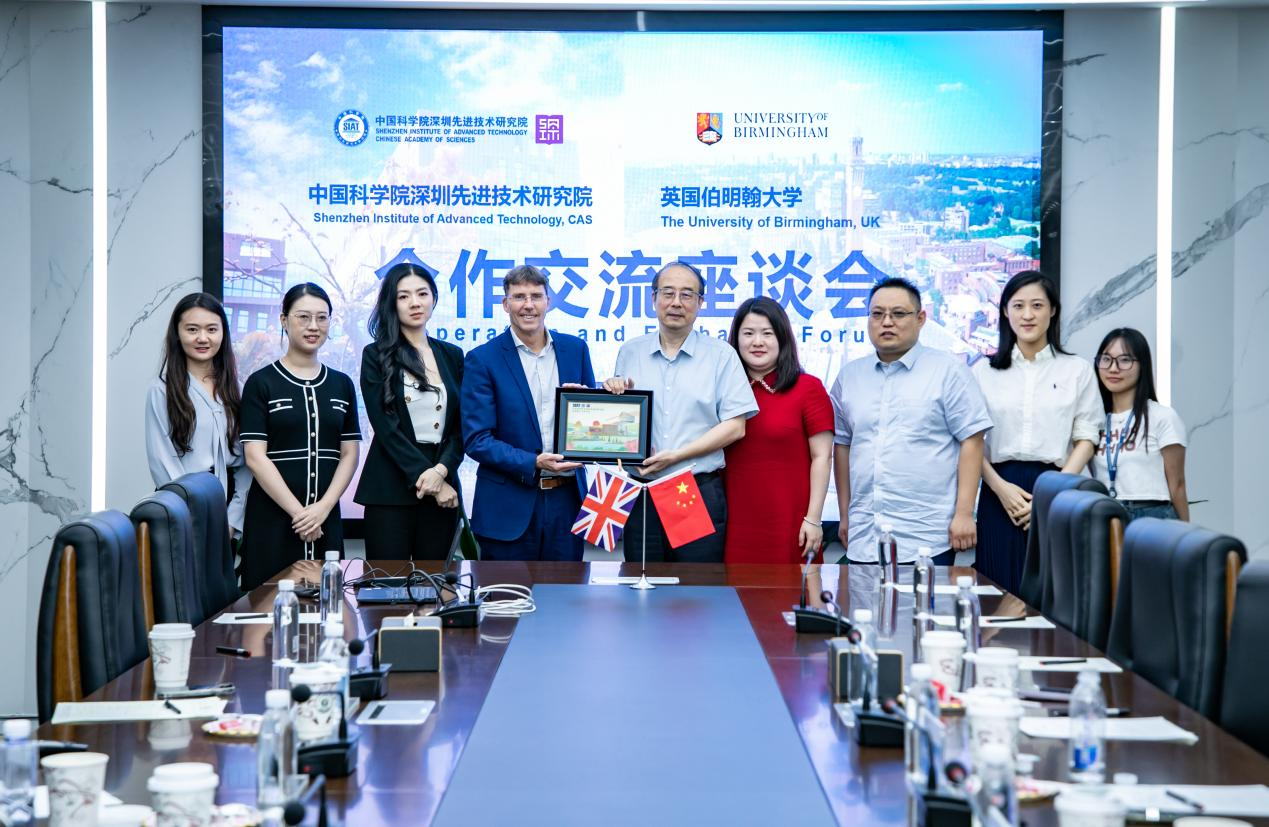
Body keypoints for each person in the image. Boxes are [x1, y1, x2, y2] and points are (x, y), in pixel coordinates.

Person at [603, 261, 758, 563]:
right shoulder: (630, 351)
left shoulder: (720, 355)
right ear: (653, 299)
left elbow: (736, 426)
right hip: (640, 489)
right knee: (642, 581)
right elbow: (622, 420)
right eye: (668, 293)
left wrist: (677, 456)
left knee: (693, 586)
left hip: (690, 488)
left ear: (700, 303)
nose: (676, 302)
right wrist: (612, 392)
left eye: (687, 294)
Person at [831, 277, 992, 566]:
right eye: (877, 314)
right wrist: (845, 515)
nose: (886, 322)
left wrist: (964, 513)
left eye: (898, 314)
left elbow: (972, 440)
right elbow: (842, 445)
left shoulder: (948, 371)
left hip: (926, 537)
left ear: (920, 319)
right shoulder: (849, 376)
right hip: (864, 535)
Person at [971, 270, 1101, 593]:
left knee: (1054, 593)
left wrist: (1050, 494)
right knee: (998, 592)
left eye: (1037, 305)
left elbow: (1086, 438)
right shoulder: (983, 372)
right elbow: (970, 443)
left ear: (1053, 310)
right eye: (1018, 306)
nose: (1027, 315)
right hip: (999, 492)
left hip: (1059, 490)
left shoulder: (1077, 370)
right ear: (1005, 312)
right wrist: (1000, 489)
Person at [462, 265, 596, 561]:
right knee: (505, 592)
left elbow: (591, 424)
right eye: (519, 297)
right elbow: (477, 440)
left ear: (548, 301)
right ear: (505, 304)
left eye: (536, 296)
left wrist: (602, 404)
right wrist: (532, 462)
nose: (528, 305)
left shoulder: (576, 349)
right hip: (507, 507)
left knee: (567, 590)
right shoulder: (482, 359)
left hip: (566, 504)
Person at [238, 283, 361, 591]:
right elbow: (254, 456)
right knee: (266, 607)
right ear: (284, 320)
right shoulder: (261, 383)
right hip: (272, 521)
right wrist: (300, 514)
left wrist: (323, 508)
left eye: (322, 317)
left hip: (325, 521)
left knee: (328, 605)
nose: (313, 326)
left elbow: (349, 454)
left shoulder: (342, 384)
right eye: (303, 317)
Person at [355, 263, 465, 560]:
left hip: (443, 490)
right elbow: (385, 427)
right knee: (387, 584)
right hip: (390, 488)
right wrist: (426, 477)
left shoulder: (452, 354)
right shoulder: (375, 354)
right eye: (404, 296)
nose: (415, 303)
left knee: (435, 583)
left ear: (434, 298)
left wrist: (441, 472)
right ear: (391, 303)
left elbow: (461, 426)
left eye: (422, 294)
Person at [723, 297, 834, 564]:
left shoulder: (808, 388)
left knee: (791, 590)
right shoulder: (722, 390)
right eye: (748, 333)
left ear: (782, 338)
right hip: (732, 524)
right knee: (732, 590)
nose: (757, 342)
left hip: (791, 523)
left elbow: (822, 457)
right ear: (736, 339)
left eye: (767, 333)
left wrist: (814, 519)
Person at [146, 292, 253, 536]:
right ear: (177, 333)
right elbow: (163, 464)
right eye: (192, 329)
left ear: (223, 333)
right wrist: (194, 518)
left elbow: (247, 462)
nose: (202, 338)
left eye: (211, 329)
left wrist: (233, 518)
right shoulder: (162, 389)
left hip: (229, 507)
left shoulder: (235, 387)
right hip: (182, 510)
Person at [1091, 327, 1189, 521]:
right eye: (1106, 359)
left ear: (1142, 365)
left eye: (1125, 360)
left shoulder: (1162, 417)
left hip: (1153, 516)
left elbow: (1177, 486)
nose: (1113, 368)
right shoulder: (1094, 420)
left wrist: (1186, 532)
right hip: (1106, 517)